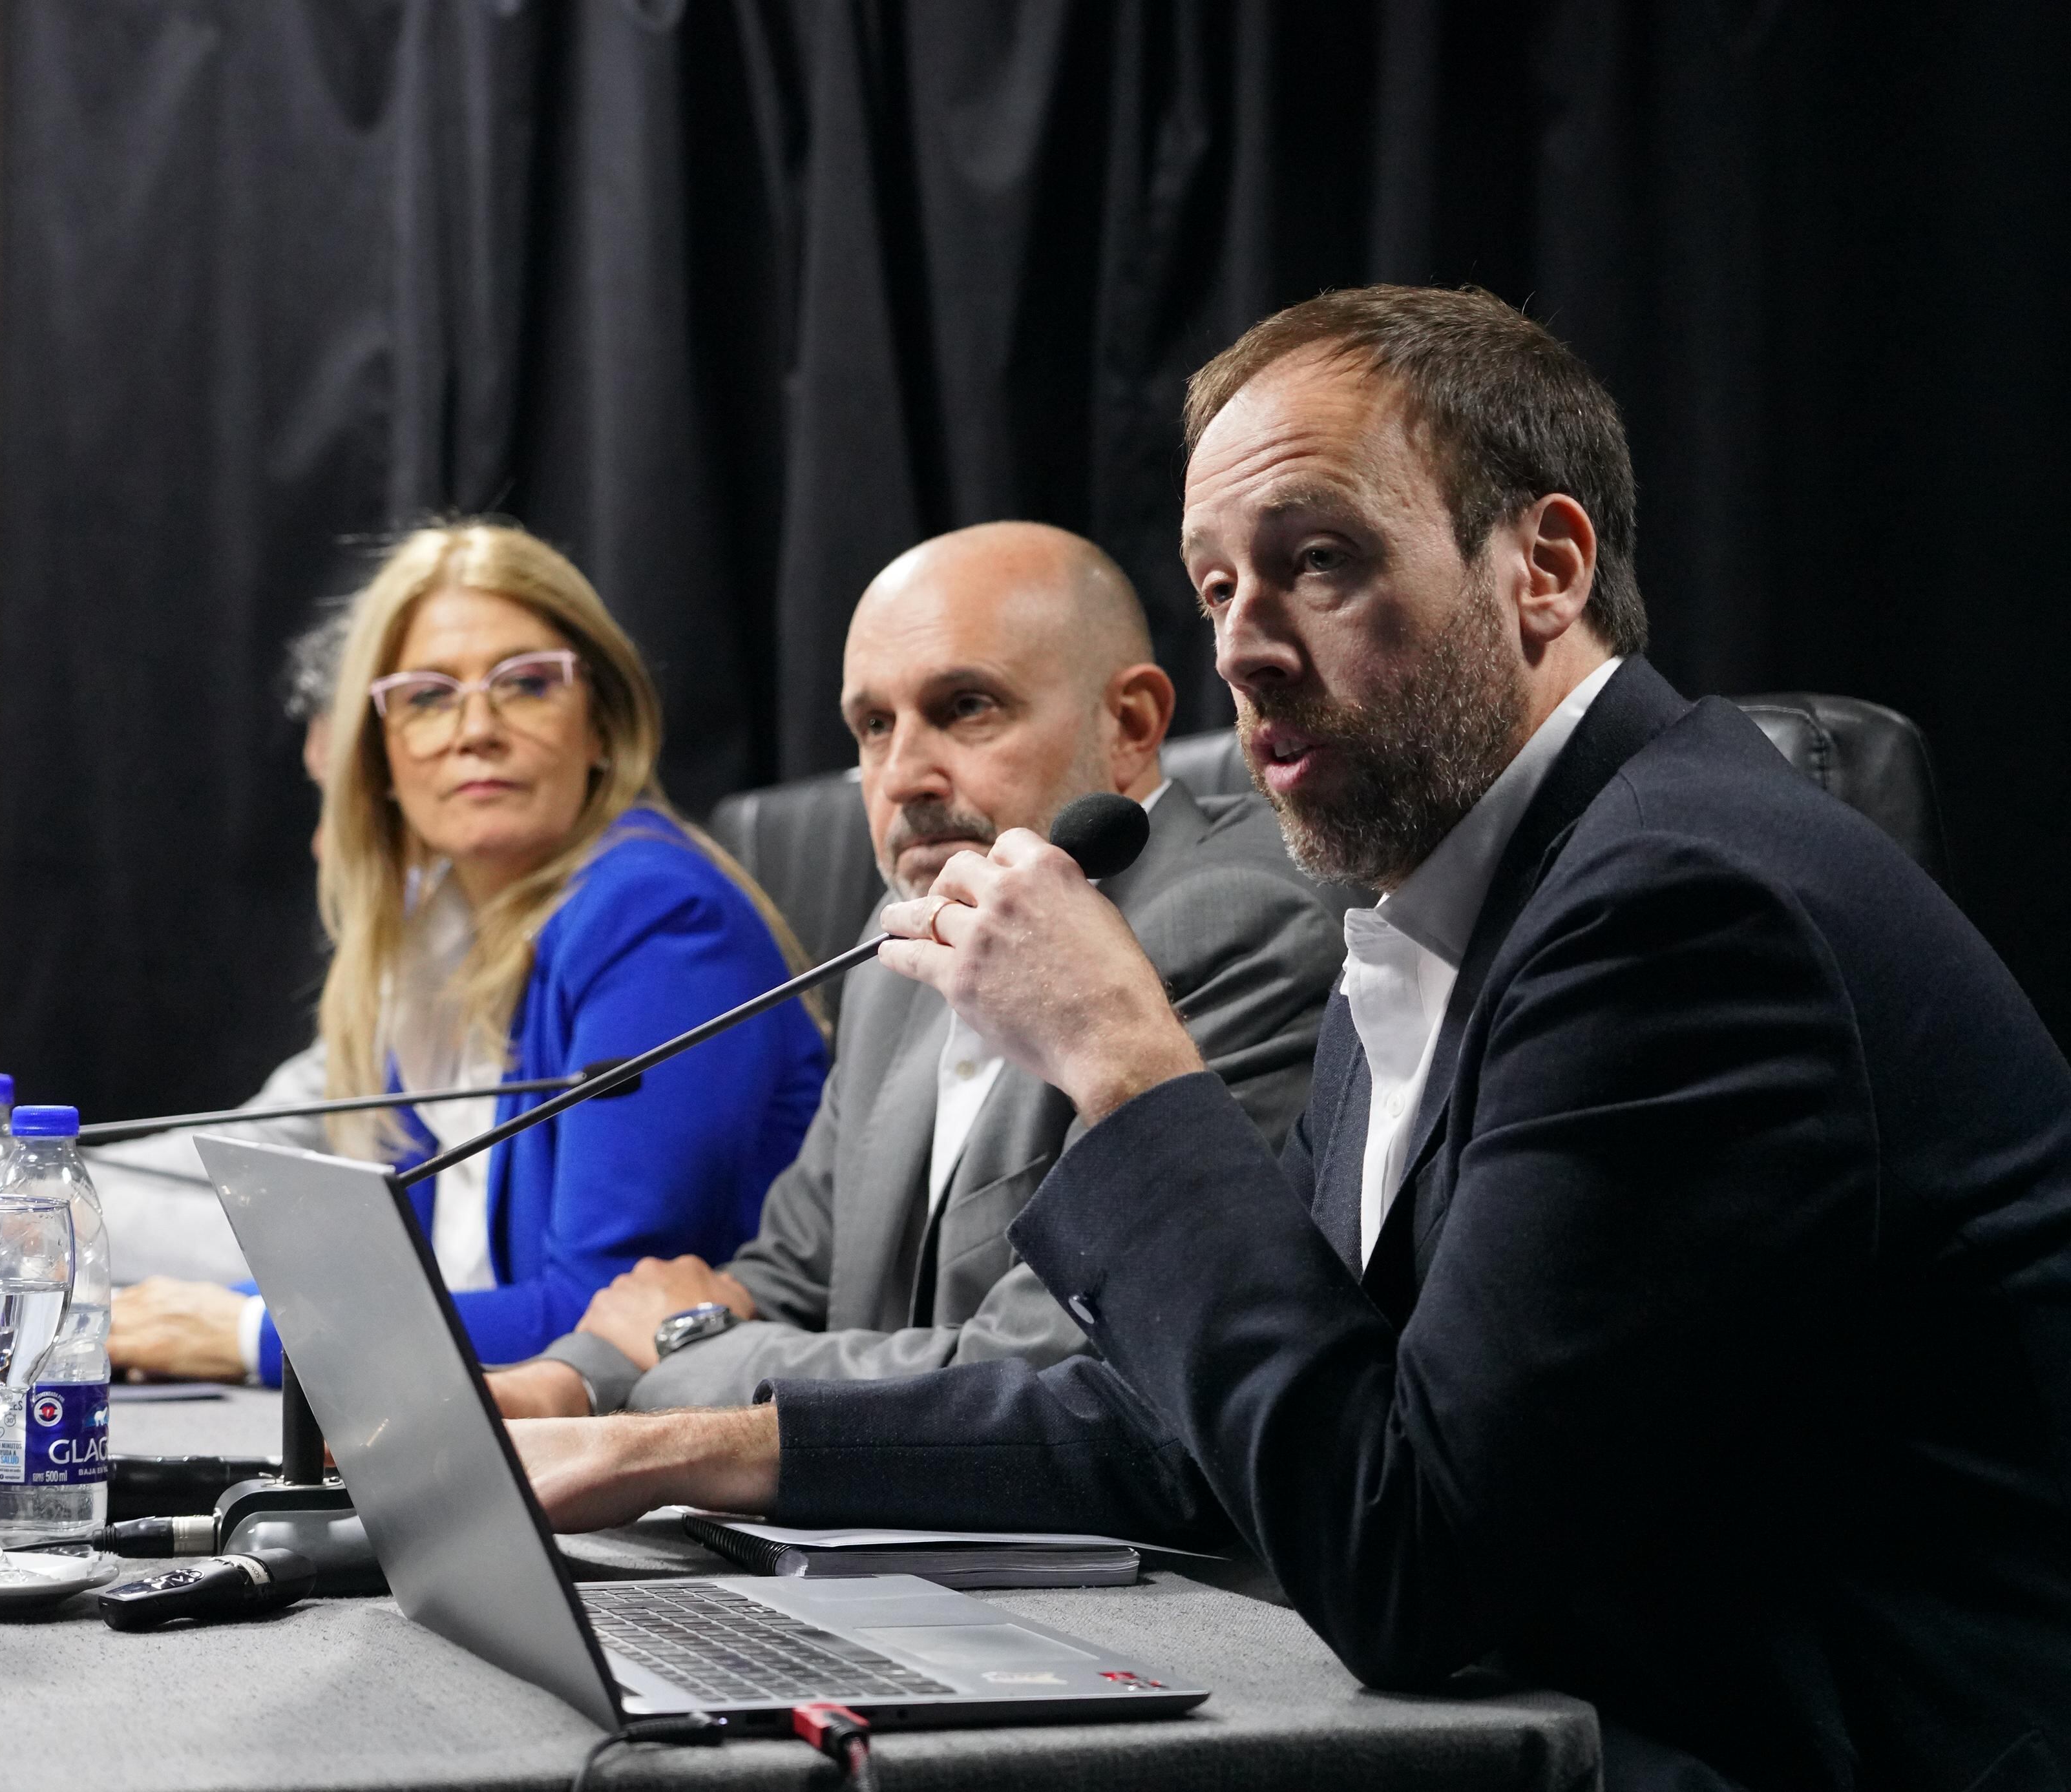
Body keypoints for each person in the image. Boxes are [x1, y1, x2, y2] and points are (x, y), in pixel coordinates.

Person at [505, 287, 2071, 1790]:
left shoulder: (1682, 908)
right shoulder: (1454, 899)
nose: (1242, 649)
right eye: (1215, 588)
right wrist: (669, 1453)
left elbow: (1414, 1565)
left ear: (1543, 566)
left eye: (1316, 560)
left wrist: (1125, 1061)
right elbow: (1187, 1421)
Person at [487, 521, 1341, 1418]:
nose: (902, 777)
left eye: (966, 707)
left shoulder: (1228, 928)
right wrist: (567, 1382)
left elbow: (1052, 1367)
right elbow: (790, 1271)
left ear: (1129, 722)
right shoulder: (901, 942)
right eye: (873, 726)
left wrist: (684, 1346)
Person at [107, 520, 828, 1382]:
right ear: (378, 757)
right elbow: (406, 1270)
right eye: (427, 697)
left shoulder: (655, 919)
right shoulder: (433, 942)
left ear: (601, 725)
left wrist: (248, 1334)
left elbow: (607, 1316)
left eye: (526, 684)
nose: (475, 728)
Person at [89, 606, 347, 1287]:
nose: (322, 843)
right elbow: (257, 1146)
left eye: (342, 800)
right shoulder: (409, 976)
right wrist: (28, 1186)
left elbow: (357, 1260)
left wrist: (39, 1215)